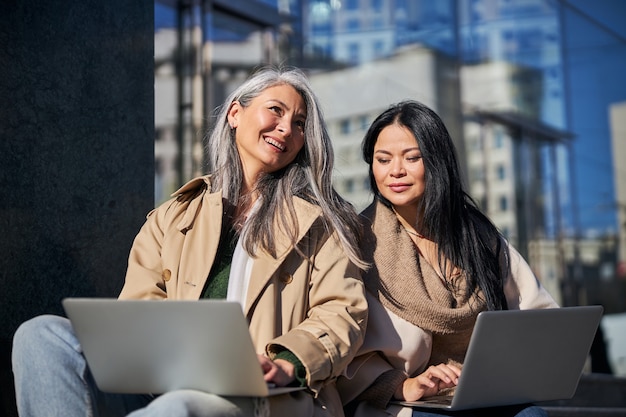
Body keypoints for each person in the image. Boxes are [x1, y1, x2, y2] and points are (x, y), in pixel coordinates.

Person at [12, 67, 368, 417]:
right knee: (40, 335)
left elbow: (342, 313)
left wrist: (289, 360)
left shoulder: (320, 222)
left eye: (300, 123)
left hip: (260, 396)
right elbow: (138, 311)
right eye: (276, 110)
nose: (286, 128)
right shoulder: (171, 216)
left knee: (175, 408)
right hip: (162, 385)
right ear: (234, 113)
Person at [336, 100, 559, 417]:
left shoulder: (478, 236)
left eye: (412, 158)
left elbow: (538, 317)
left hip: (481, 392)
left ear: (438, 162)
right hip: (402, 403)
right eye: (382, 160)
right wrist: (403, 385)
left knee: (532, 416)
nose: (395, 171)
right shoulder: (358, 241)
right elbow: (344, 343)